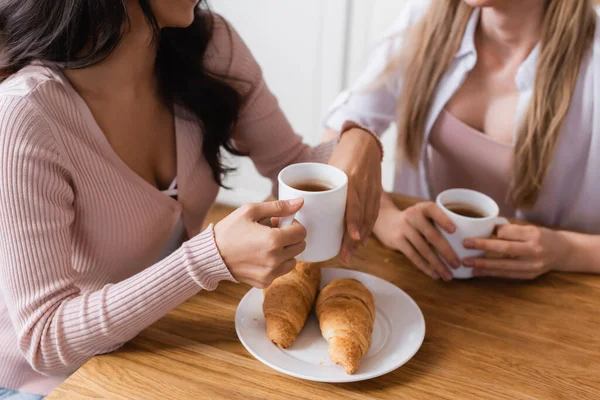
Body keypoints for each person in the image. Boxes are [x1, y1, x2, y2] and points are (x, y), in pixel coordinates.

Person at [0, 0, 382, 397]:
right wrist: (206, 258)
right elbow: (45, 341)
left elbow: (291, 164)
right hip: (46, 382)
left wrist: (359, 139)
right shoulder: (24, 116)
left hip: (158, 340)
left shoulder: (210, 44)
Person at [324, 0, 600, 282]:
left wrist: (567, 250)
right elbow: (336, 136)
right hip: (417, 278)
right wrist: (384, 218)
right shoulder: (427, 20)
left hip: (549, 297)